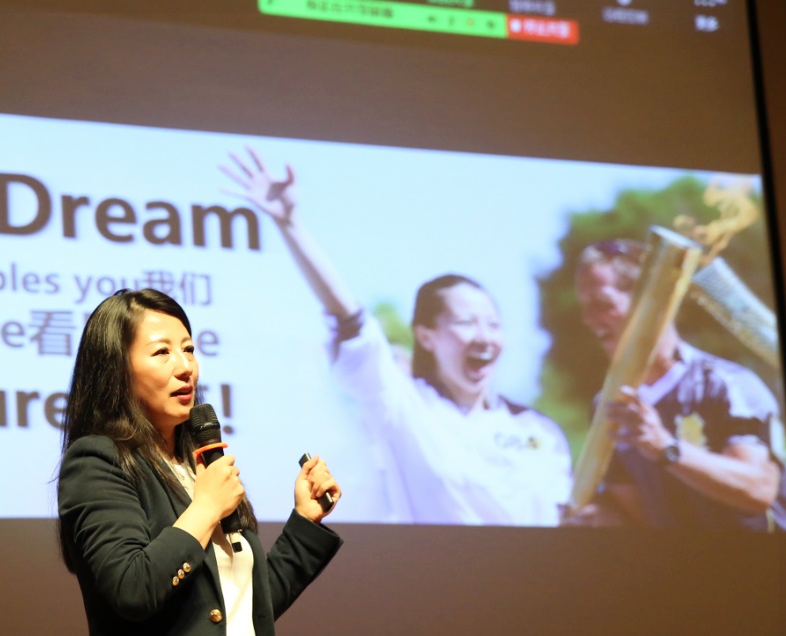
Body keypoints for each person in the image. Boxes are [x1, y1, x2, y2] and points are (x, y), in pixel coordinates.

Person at [57, 289, 344, 636]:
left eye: (189, 348)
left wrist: (305, 522)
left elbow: (245, 605)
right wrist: (204, 509)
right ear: (117, 369)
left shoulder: (199, 466)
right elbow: (131, 587)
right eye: (162, 351)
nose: (185, 366)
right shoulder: (99, 461)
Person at [221, 148, 572, 526]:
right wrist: (290, 224)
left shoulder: (540, 432)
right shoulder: (405, 409)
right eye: (466, 322)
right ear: (426, 336)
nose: (484, 336)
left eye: (493, 323)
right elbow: (350, 320)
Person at [573, 238, 786, 530]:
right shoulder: (607, 406)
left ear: (651, 302)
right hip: (680, 559)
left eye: (602, 304)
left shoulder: (727, 385)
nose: (588, 319)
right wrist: (601, 518)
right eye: (584, 307)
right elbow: (640, 520)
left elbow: (759, 490)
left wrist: (665, 447)